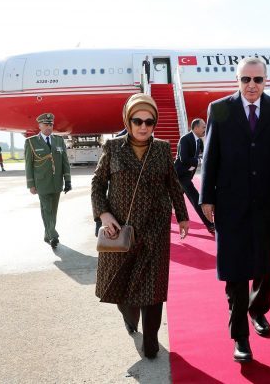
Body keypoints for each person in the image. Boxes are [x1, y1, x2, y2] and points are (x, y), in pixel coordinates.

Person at [200, 57, 270, 363]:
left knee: (265, 265)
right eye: (245, 80)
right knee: (236, 269)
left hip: (267, 203)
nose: (251, 86)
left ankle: (258, 310)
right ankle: (239, 334)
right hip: (230, 202)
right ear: (237, 80)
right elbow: (211, 155)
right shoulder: (220, 109)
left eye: (258, 80)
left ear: (266, 80)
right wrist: (206, 197)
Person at [91, 93, 189, 359]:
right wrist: (104, 214)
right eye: (138, 121)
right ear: (128, 120)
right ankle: (129, 317)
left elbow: (173, 185)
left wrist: (182, 216)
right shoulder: (112, 148)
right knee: (123, 290)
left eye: (149, 121)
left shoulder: (161, 148)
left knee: (153, 288)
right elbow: (98, 185)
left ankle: (151, 342)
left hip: (155, 230)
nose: (144, 126)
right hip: (120, 231)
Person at [24, 113, 72, 249]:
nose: (48, 127)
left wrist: (67, 180)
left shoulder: (58, 140)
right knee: (47, 209)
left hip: (57, 182)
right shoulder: (31, 142)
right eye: (45, 125)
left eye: (50, 124)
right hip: (41, 183)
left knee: (53, 210)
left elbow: (65, 162)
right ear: (39, 126)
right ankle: (53, 235)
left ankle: (47, 234)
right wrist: (31, 184)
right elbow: (28, 165)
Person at [174, 118, 214, 234]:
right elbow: (184, 159)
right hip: (179, 175)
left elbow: (205, 154)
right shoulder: (185, 139)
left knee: (170, 199)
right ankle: (210, 225)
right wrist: (199, 161)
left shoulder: (199, 141)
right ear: (195, 128)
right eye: (203, 127)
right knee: (196, 198)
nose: (204, 129)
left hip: (188, 175)